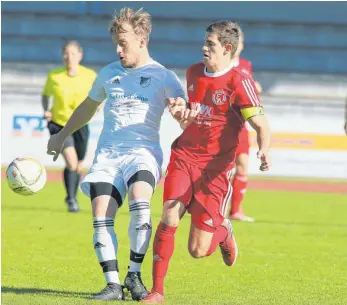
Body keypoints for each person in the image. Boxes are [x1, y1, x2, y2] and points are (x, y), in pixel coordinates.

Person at [46, 7, 189, 302]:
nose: (118, 49)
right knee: (101, 214)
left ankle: (133, 275)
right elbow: (88, 107)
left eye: (123, 43)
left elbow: (184, 115)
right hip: (108, 155)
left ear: (141, 39)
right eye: (116, 43)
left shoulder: (164, 76)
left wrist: (180, 113)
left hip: (143, 153)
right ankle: (112, 284)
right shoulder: (109, 73)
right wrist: (61, 136)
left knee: (140, 202)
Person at [141, 20, 271, 304]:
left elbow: (261, 125)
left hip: (216, 169)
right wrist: (181, 116)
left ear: (226, 48)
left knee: (198, 251)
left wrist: (264, 150)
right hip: (185, 157)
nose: (204, 48)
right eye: (204, 42)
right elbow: (192, 117)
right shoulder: (193, 73)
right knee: (169, 214)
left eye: (210, 44)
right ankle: (157, 291)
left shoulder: (239, 81)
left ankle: (223, 230)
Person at [42, 40, 96, 212]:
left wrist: (97, 107)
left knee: (79, 165)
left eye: (73, 53)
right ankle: (71, 200)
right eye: (66, 53)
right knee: (72, 162)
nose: (69, 57)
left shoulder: (90, 75)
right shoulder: (54, 76)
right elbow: (45, 95)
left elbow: (99, 96)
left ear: (80, 56)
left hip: (81, 125)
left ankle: (72, 197)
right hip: (59, 125)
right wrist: (46, 110)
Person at [227, 26, 263, 222]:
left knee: (242, 166)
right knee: (217, 169)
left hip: (241, 124)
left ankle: (236, 211)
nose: (238, 45)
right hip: (222, 124)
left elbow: (248, 87)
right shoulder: (220, 64)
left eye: (240, 41)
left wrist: (255, 87)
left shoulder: (245, 64)